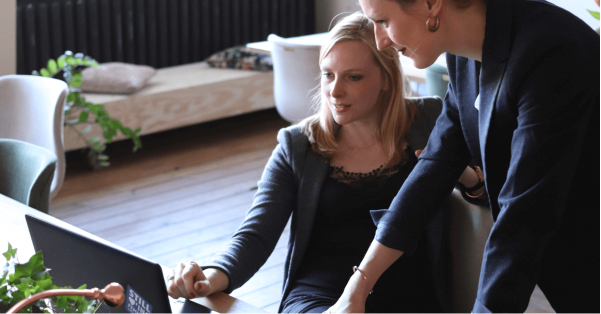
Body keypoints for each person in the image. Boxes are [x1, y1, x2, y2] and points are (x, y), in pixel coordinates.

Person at [166, 12, 482, 313]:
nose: (334, 91)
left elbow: (487, 193)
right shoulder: (299, 145)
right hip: (319, 295)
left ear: (386, 79)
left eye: (353, 77)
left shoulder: (430, 118)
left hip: (409, 296)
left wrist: (462, 175)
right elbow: (255, 235)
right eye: (328, 75)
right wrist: (212, 274)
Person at [327, 0, 600, 313]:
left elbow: (525, 215)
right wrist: (357, 287)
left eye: (383, 21)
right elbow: (436, 164)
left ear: (431, 4)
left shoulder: (550, 49)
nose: (380, 41)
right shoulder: (465, 56)